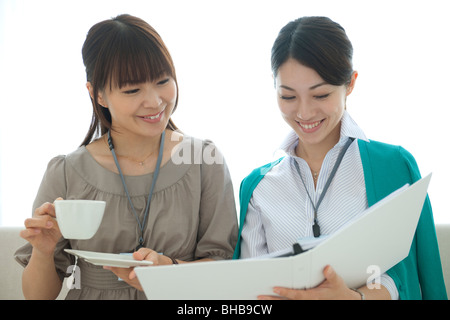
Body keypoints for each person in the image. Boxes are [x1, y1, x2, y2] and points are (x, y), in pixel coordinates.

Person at [15, 14, 238, 300]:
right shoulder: (67, 171)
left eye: (162, 81)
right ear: (98, 94)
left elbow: (223, 270)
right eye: (133, 90)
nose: (155, 102)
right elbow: (38, 297)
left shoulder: (205, 161)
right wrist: (43, 252)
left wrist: (170, 270)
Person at [233, 16, 447, 300]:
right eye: (288, 97)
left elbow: (409, 277)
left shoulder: (394, 167)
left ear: (350, 84)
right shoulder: (257, 187)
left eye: (320, 95)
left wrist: (354, 298)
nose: (304, 113)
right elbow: (247, 288)